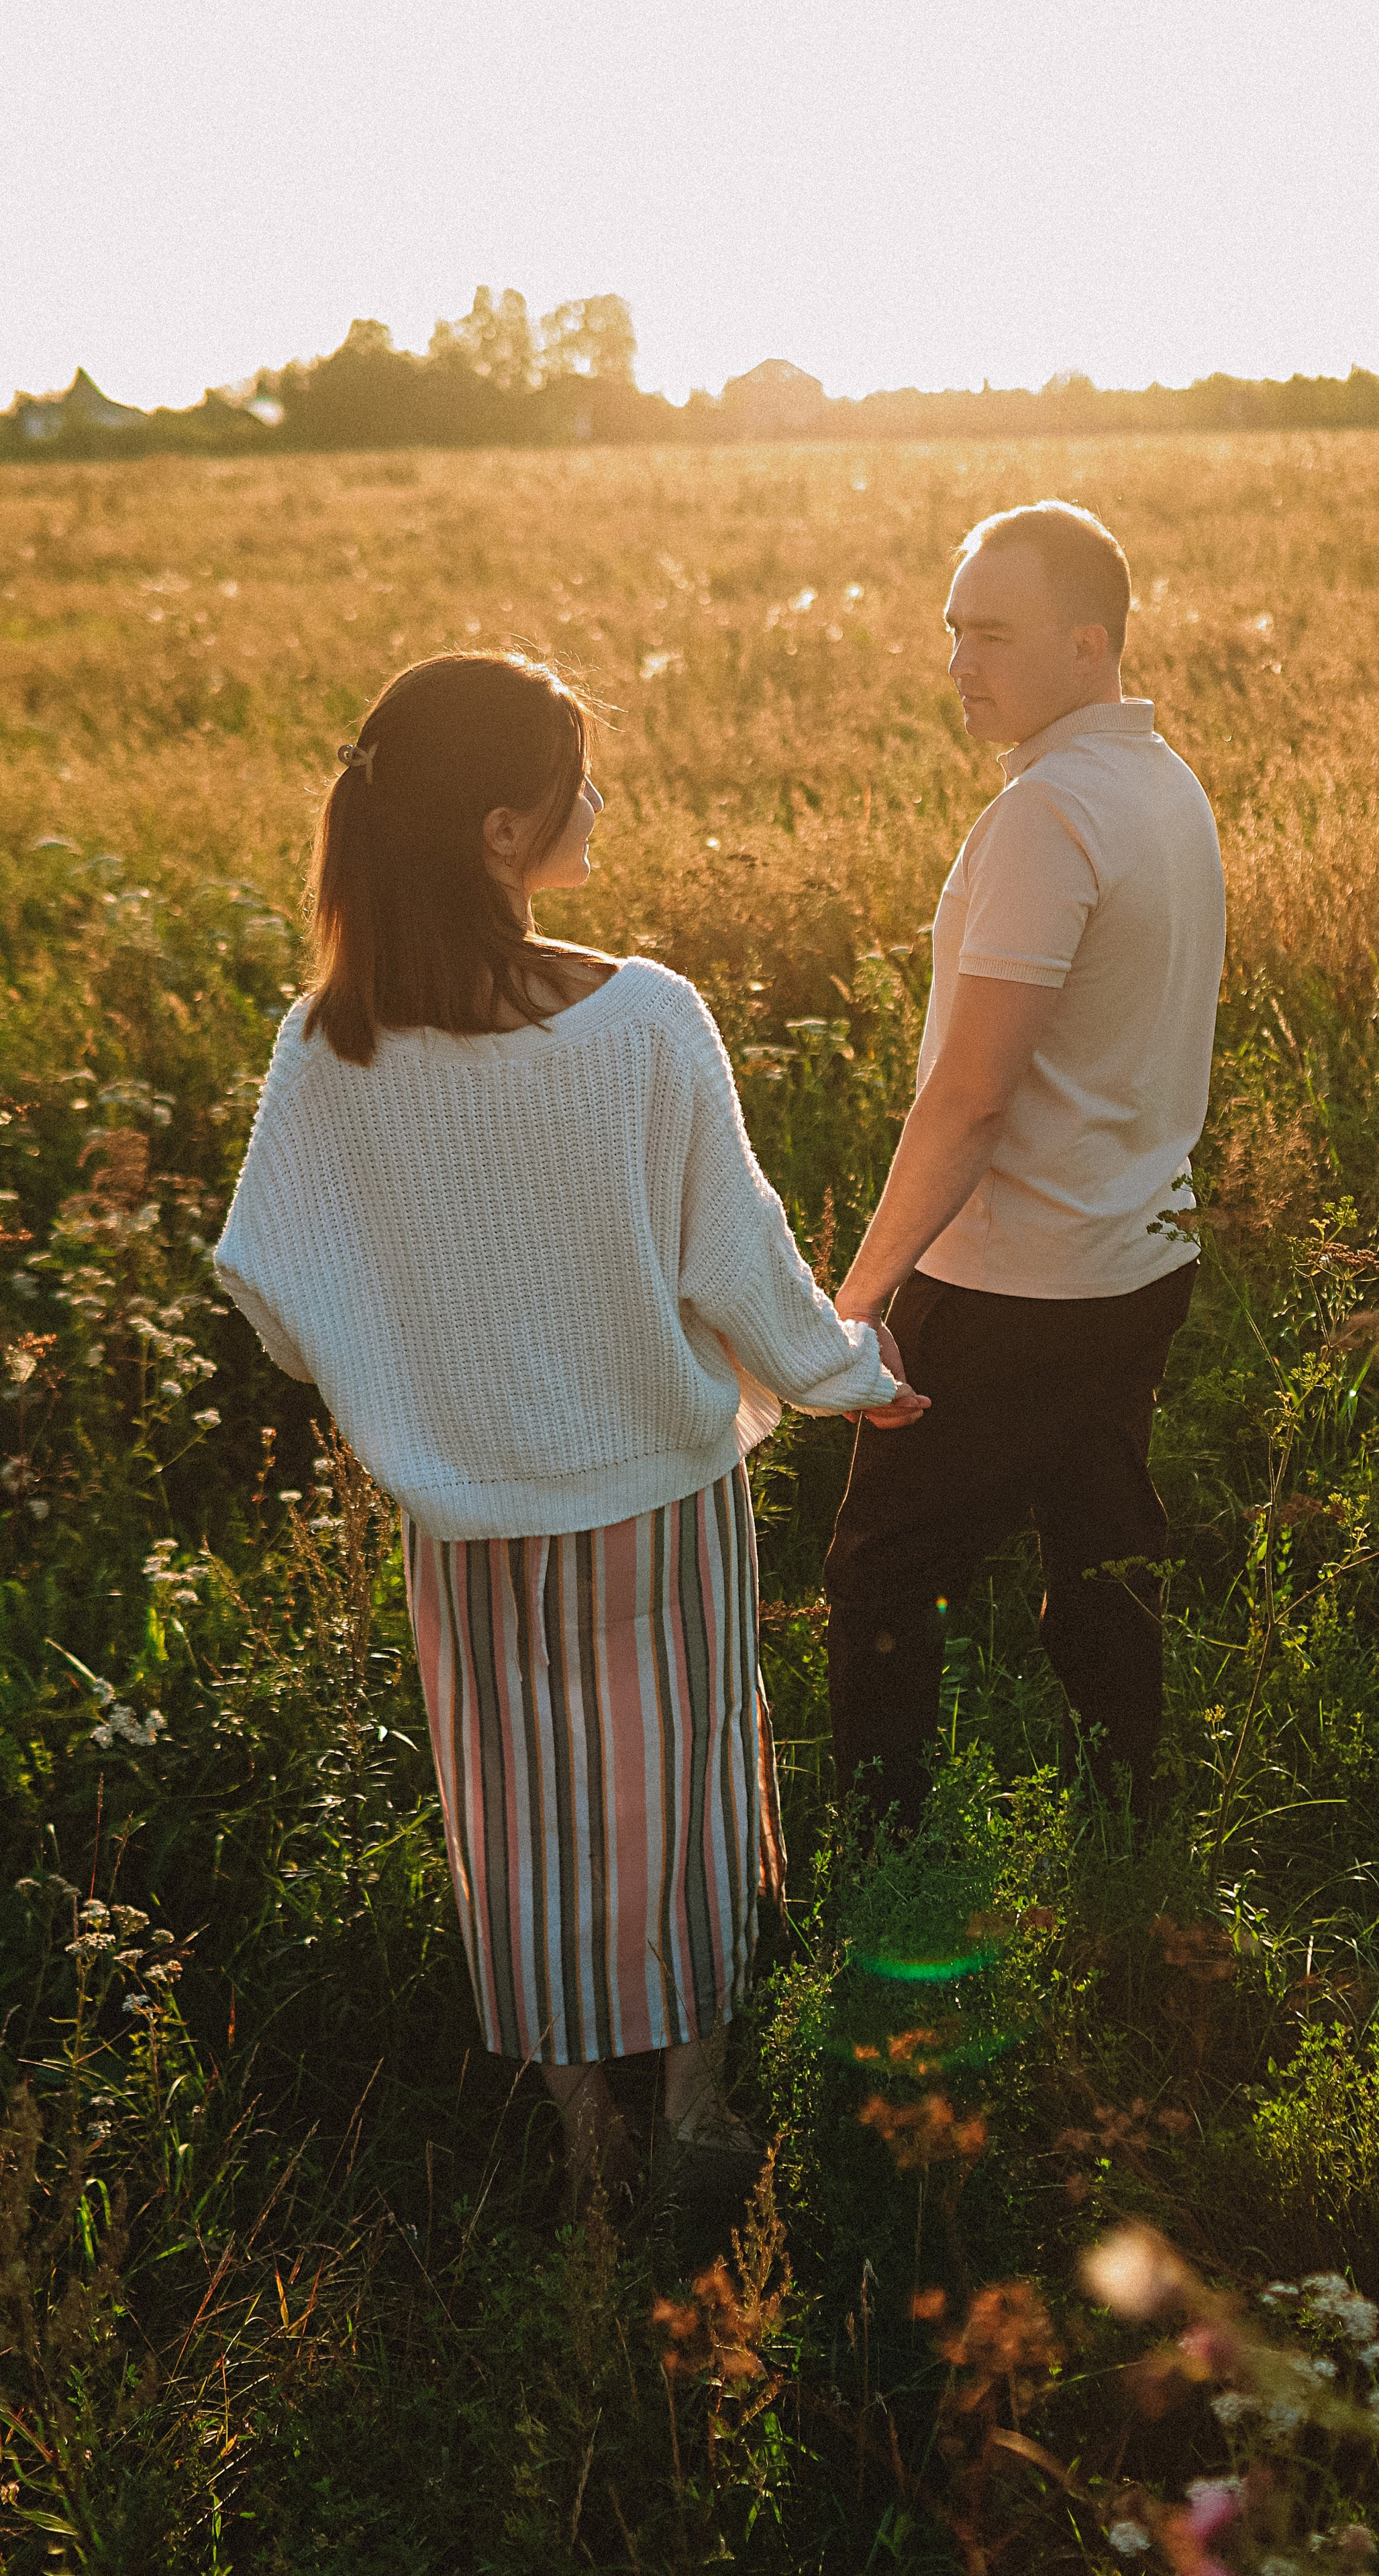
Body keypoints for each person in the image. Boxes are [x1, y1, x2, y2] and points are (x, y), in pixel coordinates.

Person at [214, 651, 925, 2198]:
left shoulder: (326, 1046)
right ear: (496, 832)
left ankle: (581, 2145)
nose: (594, 803)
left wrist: (416, 1378)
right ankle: (692, 2115)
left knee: (519, 1822)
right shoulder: (641, 1021)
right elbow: (737, 1259)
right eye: (571, 781)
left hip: (469, 1523)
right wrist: (849, 1372)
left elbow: (270, 1285)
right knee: (676, 1800)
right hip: (655, 1501)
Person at [824, 501, 1225, 1832]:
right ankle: (1129, 1816)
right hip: (1138, 1257)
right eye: (950, 632)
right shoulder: (1162, 786)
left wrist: (858, 1303)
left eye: (989, 634)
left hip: (1013, 1283)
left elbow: (970, 1097)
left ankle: (880, 1859)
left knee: (880, 1572)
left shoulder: (1046, 818)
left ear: (1084, 641)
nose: (958, 664)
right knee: (1102, 1543)